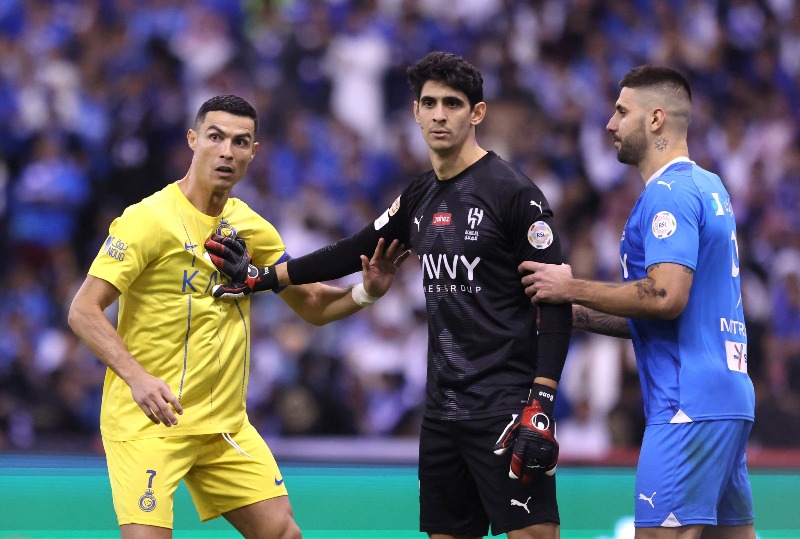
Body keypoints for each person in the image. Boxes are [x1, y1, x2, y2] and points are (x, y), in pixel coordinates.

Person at [205, 52, 572, 539]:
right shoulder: (419, 196)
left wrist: (542, 399)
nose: (439, 114)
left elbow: (556, 300)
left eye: (453, 104)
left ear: (476, 114)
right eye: (429, 103)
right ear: (415, 112)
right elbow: (355, 249)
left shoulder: (514, 194)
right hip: (441, 413)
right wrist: (263, 278)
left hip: (505, 407)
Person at [67, 95, 404, 539]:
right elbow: (83, 310)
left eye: (240, 141)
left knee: (283, 534)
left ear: (253, 152)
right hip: (148, 420)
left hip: (222, 427)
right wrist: (137, 378)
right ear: (193, 140)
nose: (227, 150)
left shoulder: (250, 227)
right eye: (215, 137)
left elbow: (312, 305)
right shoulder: (146, 221)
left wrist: (366, 292)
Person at [519, 65, 756, 538]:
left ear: (655, 120)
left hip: (685, 403)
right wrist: (574, 313)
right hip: (726, 396)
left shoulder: (667, 196)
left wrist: (571, 287)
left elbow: (666, 296)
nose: (610, 124)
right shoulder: (710, 187)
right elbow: (663, 313)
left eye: (621, 111)